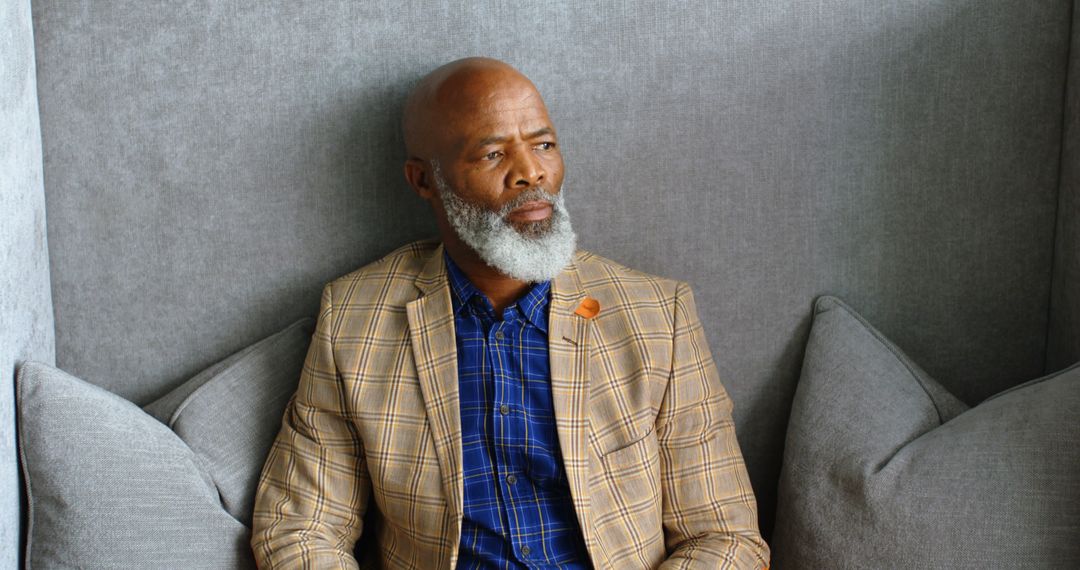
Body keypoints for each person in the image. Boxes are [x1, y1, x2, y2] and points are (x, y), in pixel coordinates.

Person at [251, 57, 769, 569]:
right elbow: (302, 528)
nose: (531, 173)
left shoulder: (658, 316)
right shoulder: (355, 318)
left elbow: (724, 535)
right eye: (493, 154)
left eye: (543, 145)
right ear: (424, 180)